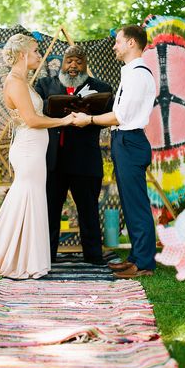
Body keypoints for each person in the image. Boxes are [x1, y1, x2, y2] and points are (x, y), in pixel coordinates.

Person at [0, 34, 73, 279]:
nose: (40, 55)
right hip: (28, 149)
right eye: (36, 51)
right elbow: (31, 120)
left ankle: (27, 258)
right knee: (27, 199)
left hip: (34, 149)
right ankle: (22, 260)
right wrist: (64, 121)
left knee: (31, 200)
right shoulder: (15, 82)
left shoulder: (22, 80)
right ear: (22, 55)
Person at [72, 25, 156, 279]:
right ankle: (136, 257)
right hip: (124, 142)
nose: (114, 46)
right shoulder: (130, 72)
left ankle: (144, 264)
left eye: (118, 42)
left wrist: (90, 119)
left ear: (131, 43)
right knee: (129, 204)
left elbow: (120, 116)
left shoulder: (139, 74)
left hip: (130, 141)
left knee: (137, 204)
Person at [35, 45, 113, 265]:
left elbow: (111, 115)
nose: (73, 66)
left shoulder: (101, 88)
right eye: (69, 61)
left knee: (88, 211)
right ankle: (45, 258)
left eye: (79, 61)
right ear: (62, 62)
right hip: (53, 162)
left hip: (85, 161)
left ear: (86, 64)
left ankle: (94, 259)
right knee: (50, 213)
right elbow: (34, 115)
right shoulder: (45, 85)